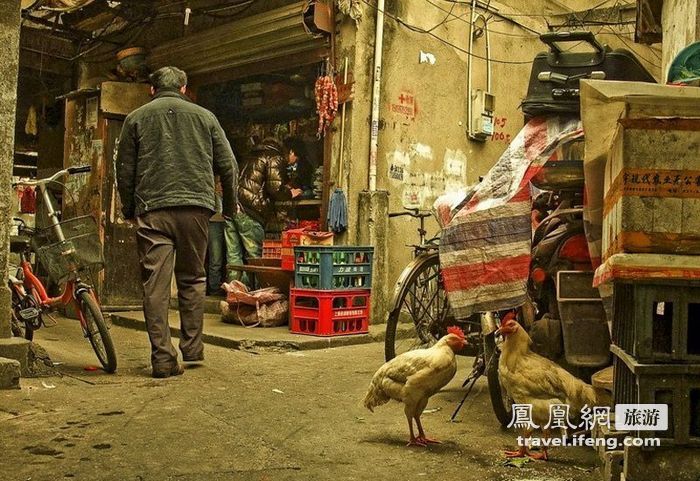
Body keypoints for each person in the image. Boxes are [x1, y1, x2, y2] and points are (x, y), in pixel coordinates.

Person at [116, 66, 237, 379]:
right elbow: (229, 165)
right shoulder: (205, 117)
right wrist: (231, 207)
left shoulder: (136, 118)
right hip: (196, 209)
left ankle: (163, 359)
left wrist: (129, 208)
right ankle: (193, 349)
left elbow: (125, 170)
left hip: (152, 209)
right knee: (193, 279)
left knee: (155, 286)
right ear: (184, 88)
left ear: (152, 90)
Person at [226, 137, 296, 285]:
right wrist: (290, 193)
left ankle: (235, 295)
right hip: (249, 210)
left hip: (231, 207)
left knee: (234, 256)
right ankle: (257, 296)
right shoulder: (274, 157)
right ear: (288, 151)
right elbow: (275, 187)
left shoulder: (250, 156)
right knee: (255, 256)